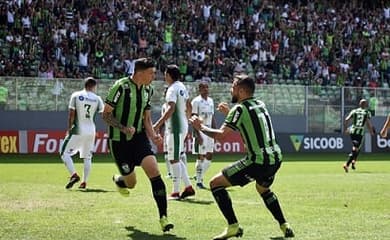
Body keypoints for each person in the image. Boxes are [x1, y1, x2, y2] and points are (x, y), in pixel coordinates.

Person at [190, 75, 294, 239]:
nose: (231, 90)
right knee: (263, 189)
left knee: (215, 184)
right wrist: (230, 113)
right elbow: (248, 127)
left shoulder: (240, 109)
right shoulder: (260, 104)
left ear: (241, 90)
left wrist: (200, 126)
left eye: (233, 87)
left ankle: (233, 226)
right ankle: (284, 225)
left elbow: (222, 136)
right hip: (275, 159)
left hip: (257, 162)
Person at [102, 58, 174, 232]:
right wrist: (123, 128)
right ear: (140, 73)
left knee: (155, 172)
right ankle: (120, 181)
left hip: (139, 138)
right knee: (131, 183)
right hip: (119, 142)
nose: (154, 76)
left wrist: (153, 135)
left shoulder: (148, 90)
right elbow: (105, 114)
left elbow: (147, 118)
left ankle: (163, 217)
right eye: (151, 73)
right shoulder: (120, 87)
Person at [153, 64, 195, 200]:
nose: (164, 76)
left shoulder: (172, 89)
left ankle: (176, 192)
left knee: (174, 159)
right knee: (176, 157)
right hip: (181, 125)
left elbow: (170, 109)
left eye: (165, 74)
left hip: (175, 127)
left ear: (169, 75)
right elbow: (189, 105)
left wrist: (157, 125)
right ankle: (188, 187)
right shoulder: (182, 87)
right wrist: (187, 119)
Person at [60, 77, 104, 189]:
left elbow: (71, 113)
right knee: (87, 157)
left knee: (64, 153)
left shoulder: (76, 95)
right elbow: (104, 114)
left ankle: (74, 175)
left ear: (85, 85)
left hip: (78, 129)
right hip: (91, 131)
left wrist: (69, 128)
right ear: (93, 86)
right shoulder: (97, 98)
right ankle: (84, 182)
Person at [191, 81, 216, 189]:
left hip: (210, 130)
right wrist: (198, 135)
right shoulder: (196, 101)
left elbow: (212, 117)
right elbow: (193, 119)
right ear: (199, 89)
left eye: (207, 87)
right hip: (201, 130)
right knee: (201, 156)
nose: (206, 89)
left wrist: (215, 131)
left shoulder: (211, 101)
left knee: (209, 156)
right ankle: (199, 181)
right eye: (203, 88)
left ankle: (198, 176)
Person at [343, 99, 375, 172]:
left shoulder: (354, 111)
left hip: (352, 131)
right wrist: (371, 131)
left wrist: (345, 129)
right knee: (356, 149)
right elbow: (368, 123)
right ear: (366, 105)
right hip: (360, 132)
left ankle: (353, 161)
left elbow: (346, 119)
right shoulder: (367, 112)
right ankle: (347, 164)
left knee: (356, 147)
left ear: (359, 104)